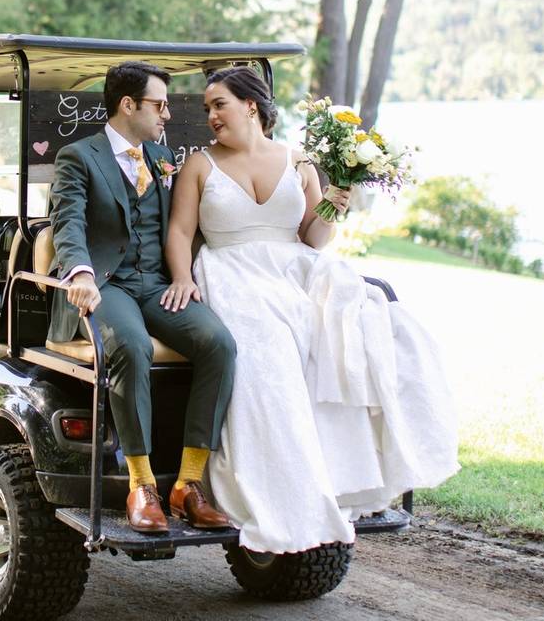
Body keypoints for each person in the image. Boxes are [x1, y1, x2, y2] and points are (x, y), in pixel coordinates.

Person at [163, 66, 459, 553]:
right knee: (269, 349)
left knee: (365, 320)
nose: (211, 115)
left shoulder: (297, 160)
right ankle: (282, 490)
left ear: (251, 106)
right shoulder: (200, 164)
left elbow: (314, 238)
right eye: (208, 108)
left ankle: (342, 473)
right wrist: (182, 276)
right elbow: (179, 232)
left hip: (294, 269)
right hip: (232, 271)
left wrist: (336, 201)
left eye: (219, 105)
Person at [48, 61, 235, 534]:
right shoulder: (79, 156)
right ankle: (141, 485)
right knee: (130, 347)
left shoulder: (161, 156)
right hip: (105, 282)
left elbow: (178, 224)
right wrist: (82, 273)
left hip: (155, 284)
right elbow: (66, 222)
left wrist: (185, 275)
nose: (168, 114)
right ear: (128, 105)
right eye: (160, 104)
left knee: (220, 344)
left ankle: (188, 484)